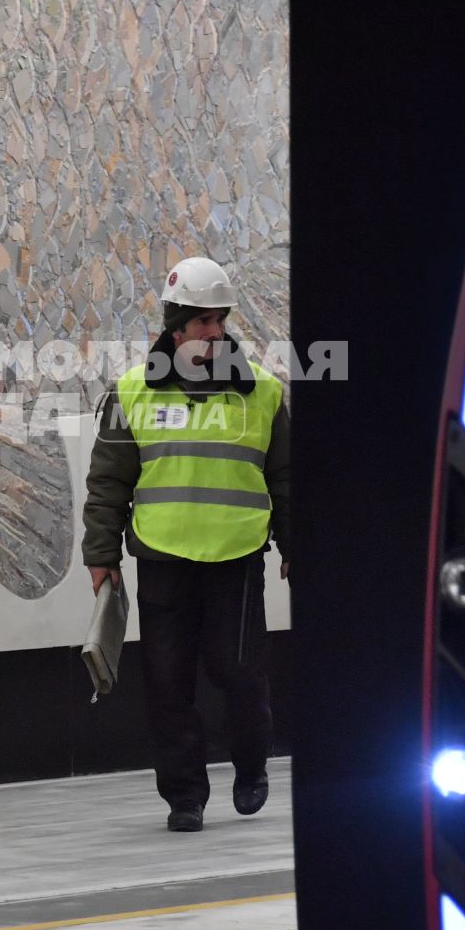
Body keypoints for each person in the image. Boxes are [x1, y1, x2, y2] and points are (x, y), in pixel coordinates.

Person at [83, 256, 290, 832]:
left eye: (220, 320)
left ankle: (252, 765)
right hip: (164, 559)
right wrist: (101, 556)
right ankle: (185, 797)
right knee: (168, 685)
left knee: (240, 675)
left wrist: (296, 542)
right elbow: (108, 483)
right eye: (204, 322)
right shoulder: (131, 393)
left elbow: (287, 479)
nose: (216, 331)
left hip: (238, 558)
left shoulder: (265, 394)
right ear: (177, 329)